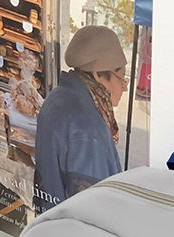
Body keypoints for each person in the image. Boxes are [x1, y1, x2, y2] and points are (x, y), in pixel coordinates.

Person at [33, 26, 128, 213]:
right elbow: (95, 207)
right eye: (122, 77)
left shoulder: (58, 96)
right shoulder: (87, 127)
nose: (125, 86)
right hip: (69, 227)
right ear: (98, 75)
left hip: (50, 220)